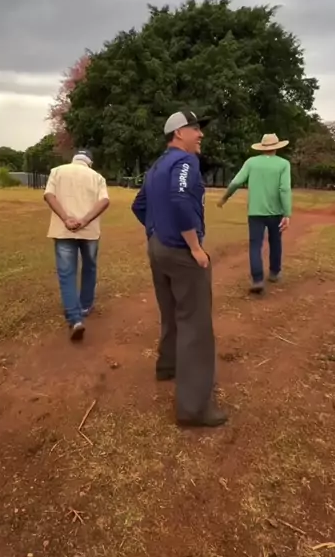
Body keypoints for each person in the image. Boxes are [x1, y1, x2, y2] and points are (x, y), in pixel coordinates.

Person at [131, 110, 227, 428]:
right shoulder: (186, 162)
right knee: (195, 324)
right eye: (195, 128)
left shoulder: (157, 165)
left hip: (158, 247)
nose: (200, 134)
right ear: (178, 133)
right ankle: (194, 408)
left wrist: (156, 231)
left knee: (171, 312)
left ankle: (168, 366)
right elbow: (181, 197)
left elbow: (139, 205)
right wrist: (194, 246)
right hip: (181, 251)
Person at [44, 150, 110, 340]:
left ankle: (75, 319)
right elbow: (104, 200)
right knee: (89, 267)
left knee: (67, 274)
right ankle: (85, 306)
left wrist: (66, 218)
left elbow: (49, 195)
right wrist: (85, 220)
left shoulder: (57, 171)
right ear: (89, 162)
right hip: (89, 231)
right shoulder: (97, 177)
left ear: (74, 159)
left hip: (64, 230)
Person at [217, 133, 292, 293]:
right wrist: (287, 213)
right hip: (276, 212)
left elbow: (236, 182)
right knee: (275, 241)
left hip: (255, 212)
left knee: (255, 244)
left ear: (262, 147)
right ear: (277, 147)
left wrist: (225, 197)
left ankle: (257, 279)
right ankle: (274, 273)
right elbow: (284, 189)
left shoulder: (251, 162)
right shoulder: (283, 164)